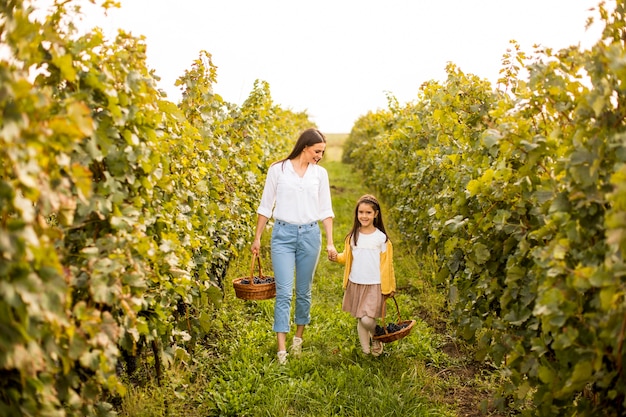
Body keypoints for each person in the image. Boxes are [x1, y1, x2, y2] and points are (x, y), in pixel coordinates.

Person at [251, 128, 337, 365]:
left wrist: (330, 242)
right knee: (284, 292)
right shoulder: (278, 170)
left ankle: (297, 340)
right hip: (283, 235)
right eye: (317, 151)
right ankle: (281, 351)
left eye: (322, 152)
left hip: (310, 235)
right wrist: (257, 237)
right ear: (305, 147)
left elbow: (326, 210)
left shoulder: (320, 174)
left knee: (304, 291)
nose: (319, 155)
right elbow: (265, 206)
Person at [329, 194, 395, 356]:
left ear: (376, 214)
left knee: (367, 319)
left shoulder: (381, 239)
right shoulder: (353, 236)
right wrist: (336, 257)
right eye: (361, 212)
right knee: (360, 317)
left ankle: (378, 335)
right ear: (357, 214)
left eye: (368, 213)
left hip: (374, 284)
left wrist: (390, 287)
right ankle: (366, 351)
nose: (364, 216)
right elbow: (348, 257)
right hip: (356, 282)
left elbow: (388, 266)